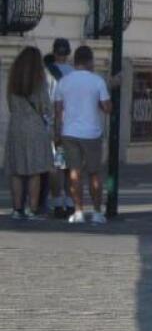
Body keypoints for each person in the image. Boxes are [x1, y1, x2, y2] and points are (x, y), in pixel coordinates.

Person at [53, 46, 111, 224]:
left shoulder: (63, 82)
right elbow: (107, 108)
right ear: (90, 61)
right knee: (94, 173)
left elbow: (57, 110)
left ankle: (78, 211)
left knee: (74, 172)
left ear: (74, 61)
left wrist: (57, 134)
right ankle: (96, 212)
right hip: (92, 133)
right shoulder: (97, 81)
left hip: (69, 133)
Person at [5, 46, 53, 220]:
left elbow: (10, 103)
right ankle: (33, 209)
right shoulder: (39, 81)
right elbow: (46, 106)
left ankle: (17, 209)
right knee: (35, 170)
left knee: (17, 170)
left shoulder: (13, 79)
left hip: (16, 126)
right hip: (34, 127)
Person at [42, 39, 75, 218]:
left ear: (54, 52)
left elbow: (50, 103)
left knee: (56, 166)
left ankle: (57, 203)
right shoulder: (74, 73)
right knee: (70, 166)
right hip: (72, 126)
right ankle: (70, 201)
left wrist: (55, 129)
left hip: (54, 126)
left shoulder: (46, 73)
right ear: (68, 53)